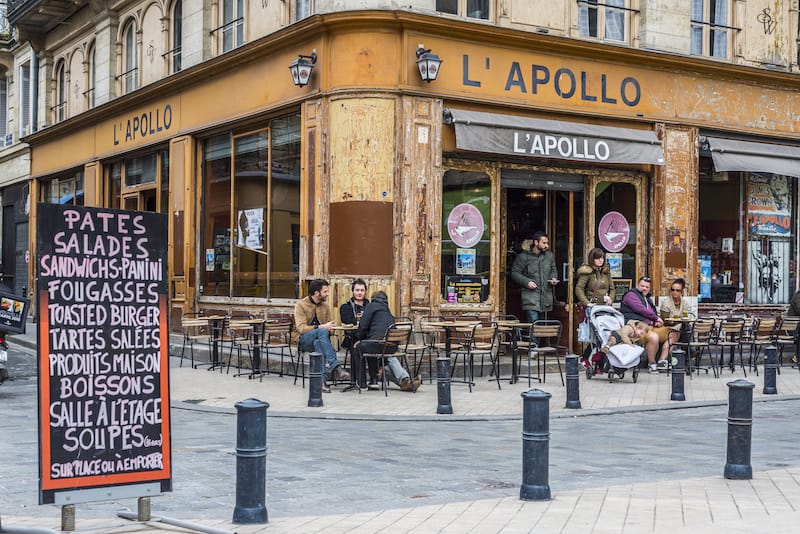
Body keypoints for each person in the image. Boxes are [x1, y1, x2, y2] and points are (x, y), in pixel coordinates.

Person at [352, 291, 420, 391]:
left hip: (378, 344)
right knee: (382, 353)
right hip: (392, 346)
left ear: (373, 298)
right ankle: (404, 381)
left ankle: (362, 383)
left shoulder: (371, 306)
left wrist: (359, 339)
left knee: (359, 348)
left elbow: (363, 326)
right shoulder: (387, 310)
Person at [294, 278, 350, 393]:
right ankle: (336, 368)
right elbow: (301, 328)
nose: (328, 294)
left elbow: (331, 329)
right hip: (304, 341)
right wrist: (321, 327)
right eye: (325, 291)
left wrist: (330, 329)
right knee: (321, 332)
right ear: (316, 293)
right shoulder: (301, 305)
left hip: (320, 341)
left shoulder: (325, 306)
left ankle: (321, 382)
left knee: (319, 342)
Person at [620, 276, 678, 373]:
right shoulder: (631, 295)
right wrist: (656, 318)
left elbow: (651, 313)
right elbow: (640, 310)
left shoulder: (647, 298)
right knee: (653, 337)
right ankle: (652, 364)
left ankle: (662, 361)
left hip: (651, 326)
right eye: (642, 286)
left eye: (647, 287)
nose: (644, 288)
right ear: (637, 285)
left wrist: (655, 321)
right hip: (636, 327)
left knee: (674, 333)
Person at [510, 231, 559, 323]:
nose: (546, 246)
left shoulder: (549, 256)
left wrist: (553, 278)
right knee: (534, 326)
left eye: (547, 243)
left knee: (542, 328)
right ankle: (533, 338)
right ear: (536, 242)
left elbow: (553, 269)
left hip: (546, 298)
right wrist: (527, 282)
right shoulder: (523, 257)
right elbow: (515, 273)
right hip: (530, 298)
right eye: (544, 243)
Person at [339, 278, 369, 351]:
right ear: (353, 291)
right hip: (353, 337)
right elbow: (348, 323)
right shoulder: (345, 307)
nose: (359, 293)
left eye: (362, 290)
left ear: (365, 292)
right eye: (357, 290)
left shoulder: (370, 306)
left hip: (369, 337)